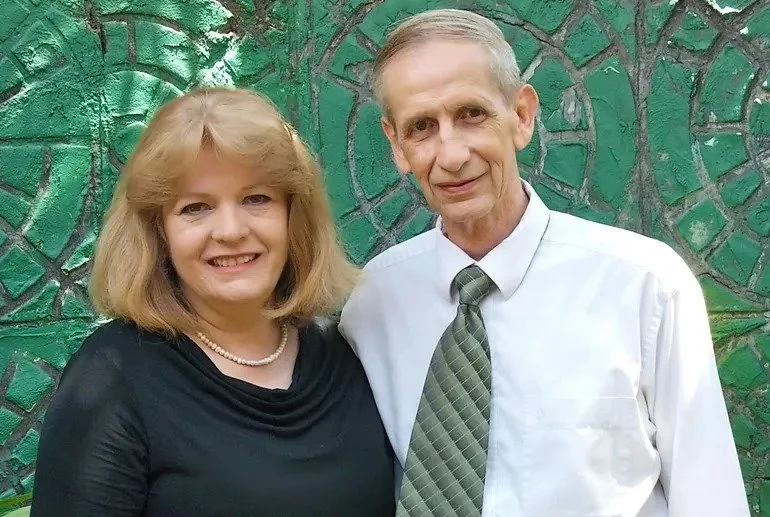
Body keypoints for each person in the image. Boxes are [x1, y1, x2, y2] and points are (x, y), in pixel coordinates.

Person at [339, 9, 749, 517]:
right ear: (396, 145)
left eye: (471, 114)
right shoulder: (374, 302)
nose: (451, 154)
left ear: (522, 115)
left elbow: (709, 496)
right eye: (422, 127)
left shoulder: (645, 285)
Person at [32, 88, 395, 516]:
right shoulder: (111, 376)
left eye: (256, 198)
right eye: (195, 208)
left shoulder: (347, 349)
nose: (230, 230)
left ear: (293, 216)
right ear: (159, 233)